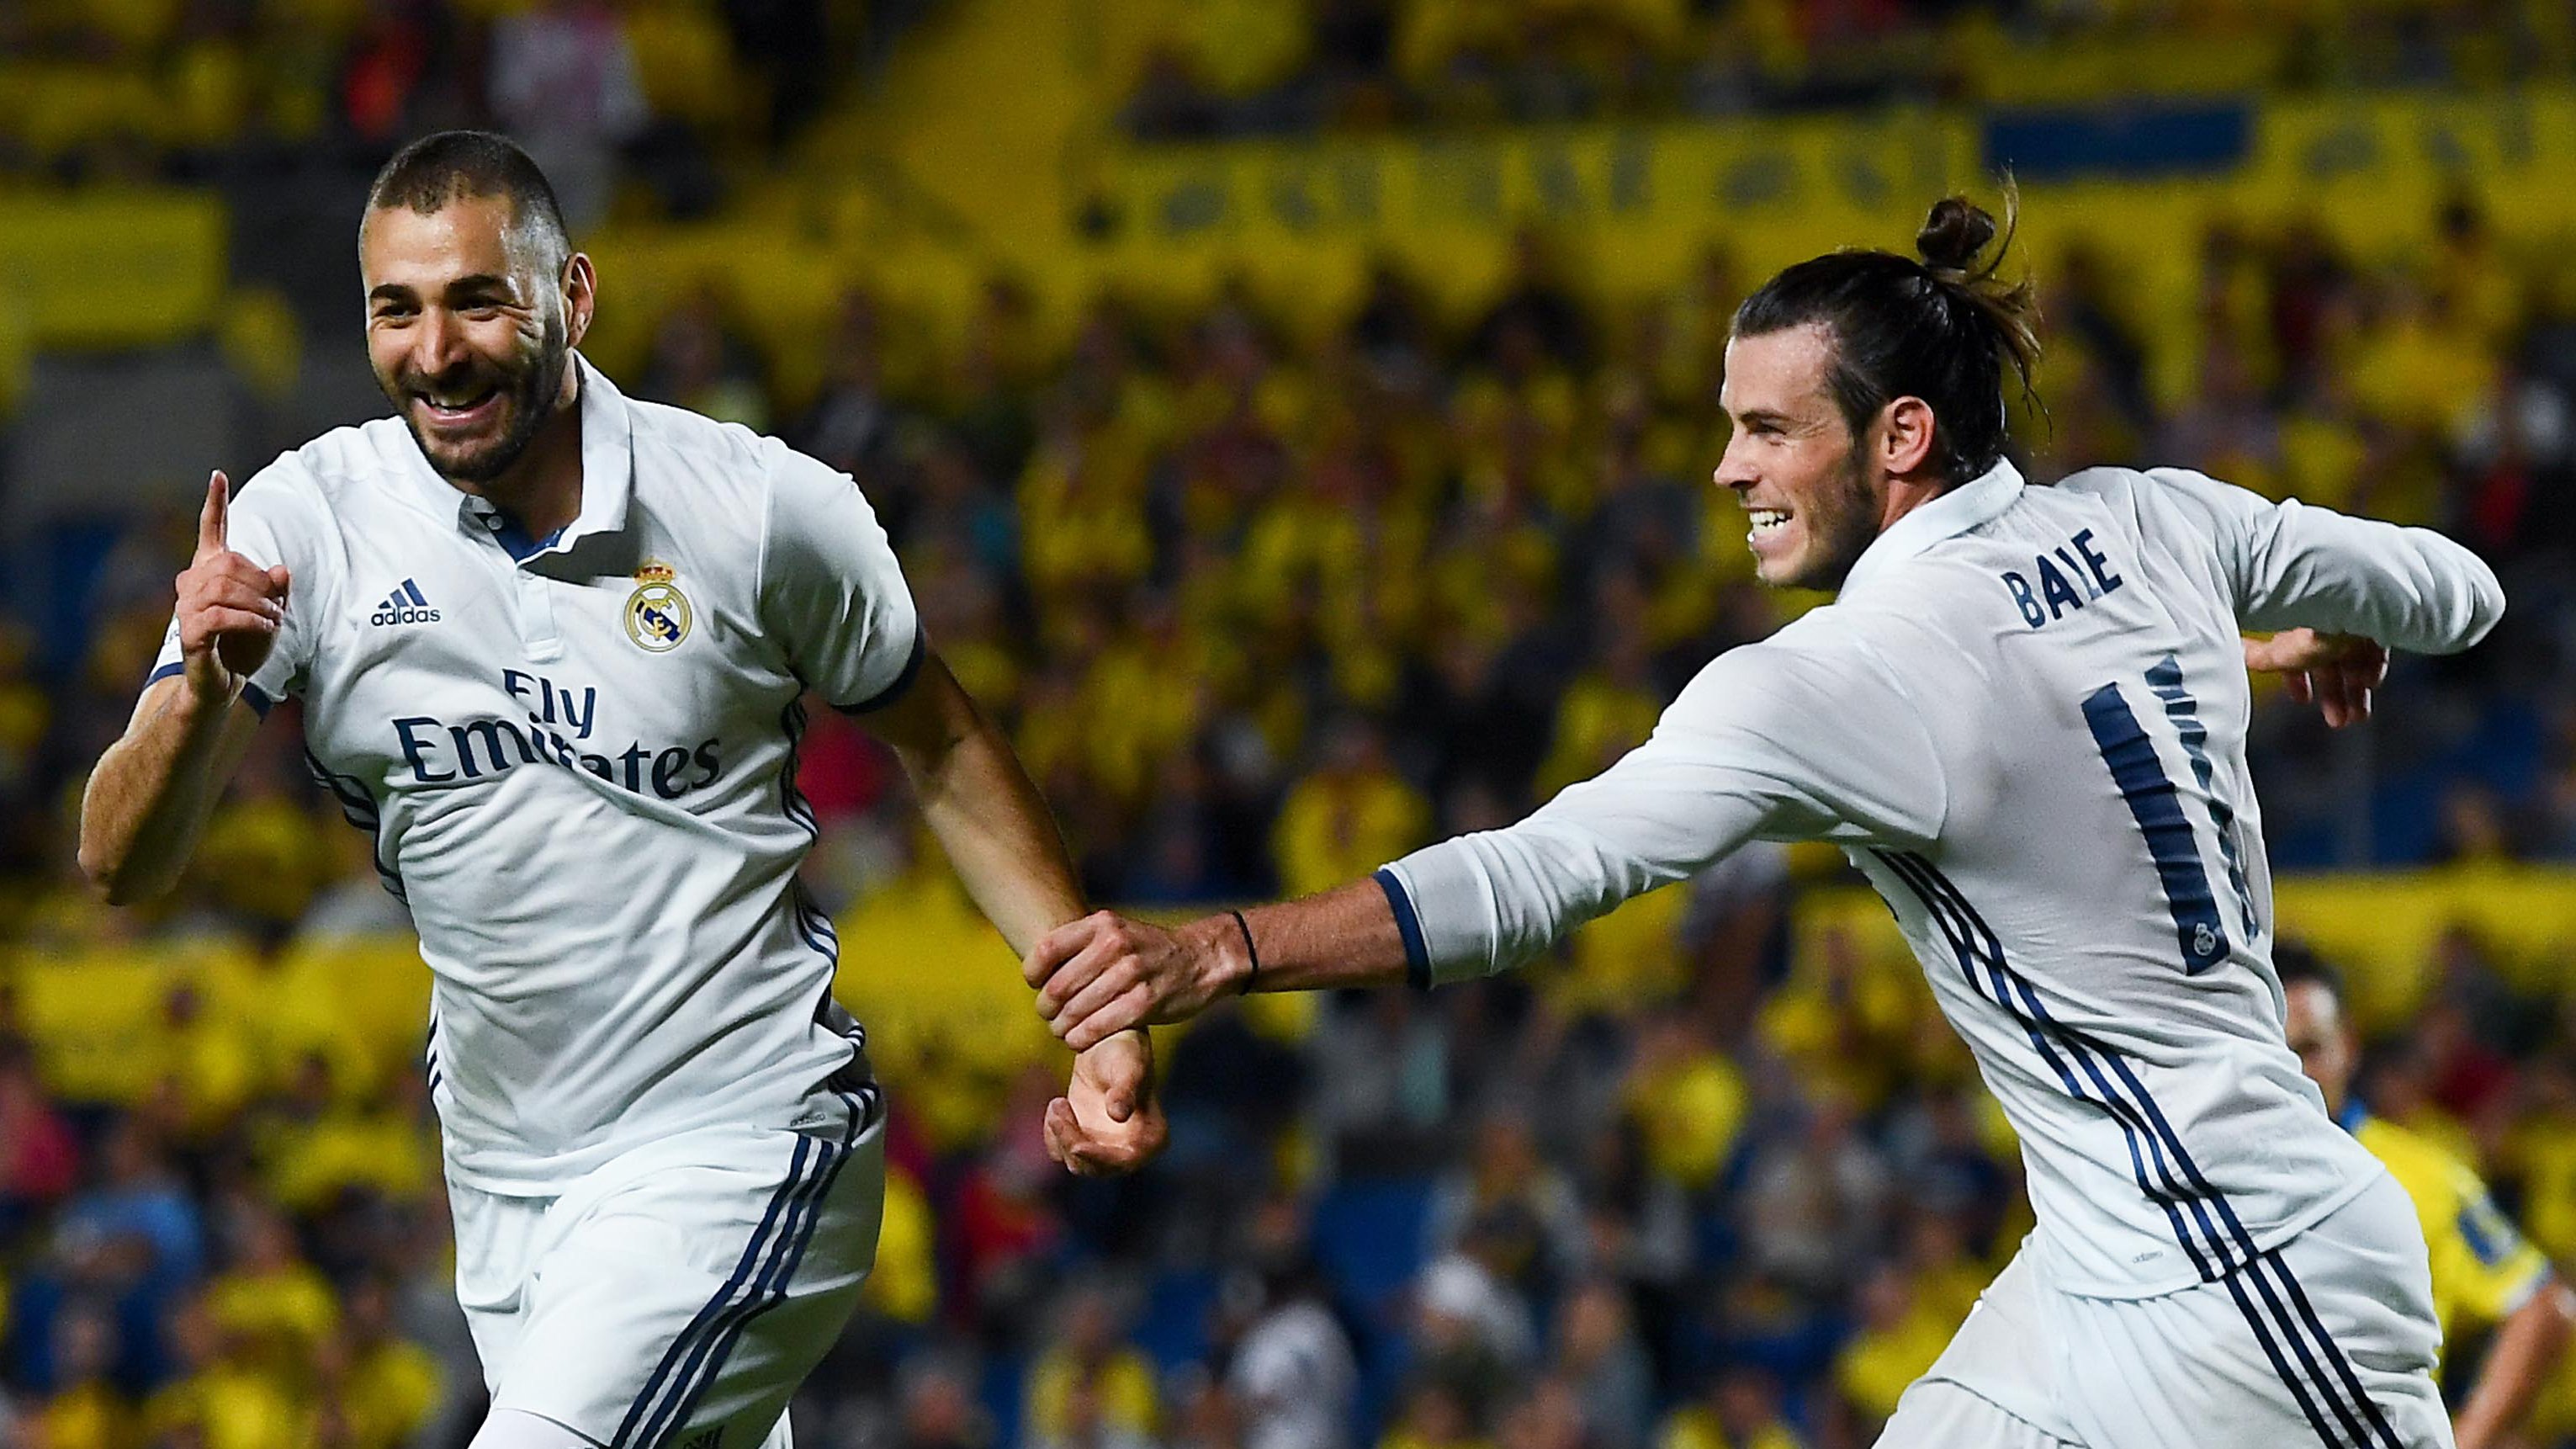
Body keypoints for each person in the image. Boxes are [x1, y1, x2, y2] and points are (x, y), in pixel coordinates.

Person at [1024, 189, 2508, 1447]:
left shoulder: (1849, 674)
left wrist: (1220, 950)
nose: (1729, 467)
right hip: (2103, 1265)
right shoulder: (2160, 524)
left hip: (2245, 1269)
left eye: (1766, 429)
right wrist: (2296, 623)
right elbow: (2460, 590)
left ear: (1899, 434)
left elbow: (1538, 875)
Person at [76, 130, 1162, 1449]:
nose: (437, 351)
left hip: (745, 1137)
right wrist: (197, 695)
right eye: (396, 310)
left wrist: (1091, 1004)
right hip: (505, 1177)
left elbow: (940, 744)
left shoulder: (760, 511)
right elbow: (120, 863)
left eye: (479, 298)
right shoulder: (305, 523)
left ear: (571, 298)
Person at [2278, 943, 2575, 1449]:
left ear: (2348, 1044)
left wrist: (2468, 1440)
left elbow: (2542, 1305)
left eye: (2310, 1048)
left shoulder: (2420, 1177)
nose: (2294, 1073)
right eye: (2274, 1050)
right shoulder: (2188, 1174)